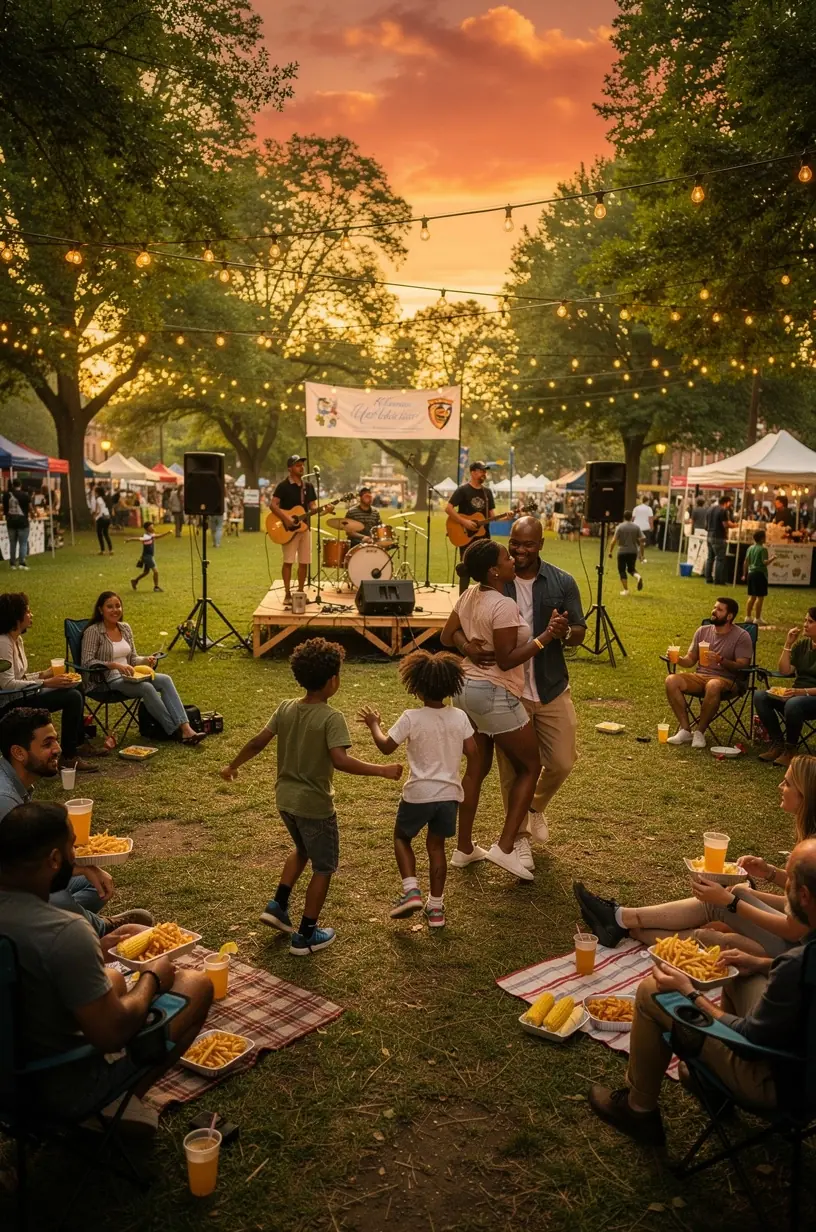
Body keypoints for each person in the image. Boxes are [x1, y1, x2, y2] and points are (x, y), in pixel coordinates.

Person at [586, 836, 816, 1146]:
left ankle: (637, 1110)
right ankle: (713, 1087)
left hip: (778, 1084)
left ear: (803, 896)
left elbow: (749, 1038)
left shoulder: (797, 965)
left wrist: (691, 994)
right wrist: (761, 963)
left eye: (789, 884)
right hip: (802, 1069)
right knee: (735, 966)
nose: (782, 888)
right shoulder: (797, 963)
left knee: (653, 991)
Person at [0, 800, 212, 1125]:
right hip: (54, 1093)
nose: (76, 856)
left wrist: (96, 948)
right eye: (72, 847)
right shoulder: (65, 931)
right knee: (196, 984)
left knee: (111, 980)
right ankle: (116, 1109)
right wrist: (151, 979)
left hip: (6, 1083)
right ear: (55, 859)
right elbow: (111, 1034)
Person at [219, 638, 402, 955]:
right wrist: (382, 770)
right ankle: (305, 934)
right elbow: (340, 761)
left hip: (285, 801)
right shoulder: (331, 718)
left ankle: (277, 905)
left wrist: (233, 765)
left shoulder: (286, 708)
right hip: (315, 807)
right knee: (324, 866)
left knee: (301, 849)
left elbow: (257, 742)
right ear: (333, 681)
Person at [574, 755, 816, 959]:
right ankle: (623, 919)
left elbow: (794, 929)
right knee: (739, 891)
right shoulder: (809, 838)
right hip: (802, 937)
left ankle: (626, 927)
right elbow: (802, 898)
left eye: (787, 783)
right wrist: (770, 873)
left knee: (716, 928)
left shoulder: (812, 849)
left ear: (804, 795)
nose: (779, 787)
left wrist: (730, 904)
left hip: (802, 952)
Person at [452, 516, 585, 867]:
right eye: (513, 545)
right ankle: (516, 841)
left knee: (560, 761)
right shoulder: (495, 587)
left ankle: (531, 809)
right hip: (505, 690)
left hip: (550, 685)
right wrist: (469, 647)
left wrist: (562, 633)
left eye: (527, 545)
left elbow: (579, 631)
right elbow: (459, 634)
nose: (519, 552)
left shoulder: (562, 581)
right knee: (514, 770)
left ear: (541, 544)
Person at [441, 539, 544, 881]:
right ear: (493, 571)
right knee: (531, 766)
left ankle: (465, 848)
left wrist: (465, 645)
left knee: (477, 767)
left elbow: (447, 635)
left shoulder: (469, 595)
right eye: (506, 557)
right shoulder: (502, 605)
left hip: (465, 691)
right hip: (493, 694)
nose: (512, 559)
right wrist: (545, 639)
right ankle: (504, 847)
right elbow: (504, 659)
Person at [0, 708, 152, 932]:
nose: (58, 749)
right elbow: (19, 874)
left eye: (56, 741)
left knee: (95, 883)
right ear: (19, 753)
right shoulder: (4, 799)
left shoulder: (17, 782)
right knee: (58, 893)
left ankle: (67, 924)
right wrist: (74, 867)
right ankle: (100, 929)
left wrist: (83, 866)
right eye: (47, 744)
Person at [357, 650, 478, 928]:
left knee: (402, 837)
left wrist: (374, 725)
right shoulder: (459, 717)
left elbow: (386, 747)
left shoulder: (411, 717)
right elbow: (473, 752)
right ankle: (435, 909)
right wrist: (468, 780)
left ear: (417, 687)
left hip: (418, 794)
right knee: (436, 847)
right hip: (449, 796)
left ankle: (411, 890)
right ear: (452, 686)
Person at [81, 591, 205, 745]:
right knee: (146, 687)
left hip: (131, 675)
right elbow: (86, 662)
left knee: (165, 679)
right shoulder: (93, 632)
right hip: (106, 680)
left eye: (118, 606)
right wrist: (114, 665)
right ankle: (174, 730)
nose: (115, 610)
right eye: (110, 607)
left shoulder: (124, 628)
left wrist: (146, 659)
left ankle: (187, 729)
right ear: (100, 610)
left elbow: (133, 658)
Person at [0, 592, 98, 772]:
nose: (31, 615)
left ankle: (78, 743)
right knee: (72, 697)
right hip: (10, 702)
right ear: (16, 615)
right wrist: (46, 683)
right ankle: (68, 757)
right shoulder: (3, 642)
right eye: (27, 611)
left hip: (24, 695)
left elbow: (19, 677)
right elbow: (7, 684)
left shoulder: (17, 639)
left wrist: (44, 674)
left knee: (76, 686)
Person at [664, 597, 752, 748]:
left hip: (728, 680)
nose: (714, 611)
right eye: (714, 607)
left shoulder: (742, 636)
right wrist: (677, 659)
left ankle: (700, 732)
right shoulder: (702, 631)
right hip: (700, 676)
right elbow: (690, 660)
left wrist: (721, 660)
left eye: (719, 610)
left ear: (729, 616)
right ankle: (685, 730)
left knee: (713, 685)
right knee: (671, 680)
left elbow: (742, 666)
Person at [754, 607, 816, 766]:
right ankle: (777, 744)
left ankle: (791, 750)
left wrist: (800, 692)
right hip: (796, 696)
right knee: (761, 696)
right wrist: (788, 644)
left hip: (811, 699)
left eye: (810, 621)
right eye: (805, 620)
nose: (805, 624)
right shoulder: (802, 645)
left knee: (793, 703)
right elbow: (785, 670)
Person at [271, 455, 318, 607]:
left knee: (304, 562)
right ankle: (287, 594)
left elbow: (313, 507)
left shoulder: (308, 486)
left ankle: (299, 593)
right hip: (288, 530)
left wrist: (325, 510)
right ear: (290, 468)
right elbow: (273, 505)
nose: (301, 467)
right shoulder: (283, 486)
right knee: (288, 561)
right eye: (297, 465)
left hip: (305, 529)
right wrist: (286, 519)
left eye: (302, 465)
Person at [447, 461, 496, 593]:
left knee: (486, 569)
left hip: (484, 537)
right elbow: (448, 508)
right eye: (481, 471)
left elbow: (492, 514)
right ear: (473, 472)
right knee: (465, 569)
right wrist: (464, 522)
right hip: (466, 536)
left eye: (485, 471)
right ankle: (462, 601)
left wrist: (507, 516)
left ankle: (483, 599)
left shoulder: (487, 492)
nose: (484, 474)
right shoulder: (463, 490)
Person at [742, 528, 775, 626]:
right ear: (761, 539)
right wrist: (773, 558)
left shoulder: (750, 548)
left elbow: (746, 561)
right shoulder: (763, 549)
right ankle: (757, 618)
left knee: (752, 596)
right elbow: (764, 562)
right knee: (760, 597)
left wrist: (744, 574)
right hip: (760, 574)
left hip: (751, 573)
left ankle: (748, 617)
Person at [127, 520, 170, 592]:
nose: (153, 527)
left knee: (146, 572)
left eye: (153, 526)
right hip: (148, 557)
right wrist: (130, 539)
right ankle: (156, 587)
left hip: (147, 556)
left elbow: (158, 536)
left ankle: (134, 581)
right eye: (151, 526)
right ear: (147, 528)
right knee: (156, 572)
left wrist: (167, 533)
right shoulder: (146, 537)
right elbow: (138, 539)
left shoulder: (151, 535)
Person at [609, 511, 645, 596]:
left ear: (624, 517)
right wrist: (641, 554)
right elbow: (642, 539)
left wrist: (610, 551)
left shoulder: (620, 527)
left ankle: (626, 590)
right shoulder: (636, 527)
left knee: (622, 570)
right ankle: (638, 577)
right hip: (633, 551)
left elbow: (614, 540)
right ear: (631, 517)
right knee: (631, 569)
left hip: (622, 551)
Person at [705, 494, 736, 585]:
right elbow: (725, 524)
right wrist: (735, 525)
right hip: (718, 536)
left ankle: (708, 578)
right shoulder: (723, 510)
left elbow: (706, 525)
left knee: (710, 558)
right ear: (727, 502)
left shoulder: (710, 509)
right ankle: (718, 580)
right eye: (730, 502)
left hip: (709, 535)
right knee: (720, 559)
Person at [2, 478, 31, 571]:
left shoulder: (6, 495)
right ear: (20, 485)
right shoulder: (25, 495)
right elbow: (30, 507)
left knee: (12, 543)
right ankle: (22, 562)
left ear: (12, 485)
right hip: (23, 522)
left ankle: (12, 564)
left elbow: (4, 508)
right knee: (23, 543)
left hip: (10, 522)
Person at [92, 485, 113, 556]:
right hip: (107, 517)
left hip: (101, 517)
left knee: (99, 534)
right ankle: (110, 549)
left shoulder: (98, 499)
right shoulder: (106, 498)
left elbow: (97, 510)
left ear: (97, 493)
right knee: (106, 533)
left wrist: (94, 516)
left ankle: (102, 550)